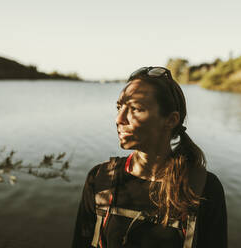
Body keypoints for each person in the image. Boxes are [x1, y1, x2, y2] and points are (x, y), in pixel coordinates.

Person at [72, 66, 227, 248]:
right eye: (119, 107)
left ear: (171, 120)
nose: (119, 118)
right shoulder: (101, 179)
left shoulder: (204, 189)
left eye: (135, 108)